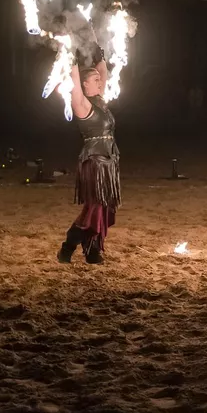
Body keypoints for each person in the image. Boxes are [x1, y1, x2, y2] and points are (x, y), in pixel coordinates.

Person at [57, 34, 121, 265]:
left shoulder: (101, 101)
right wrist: (71, 51)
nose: (100, 81)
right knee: (93, 209)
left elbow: (102, 68)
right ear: (84, 85)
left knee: (104, 209)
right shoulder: (82, 105)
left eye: (99, 79)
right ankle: (68, 245)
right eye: (95, 79)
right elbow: (74, 79)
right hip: (94, 163)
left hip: (109, 162)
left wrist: (98, 45)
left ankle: (93, 251)